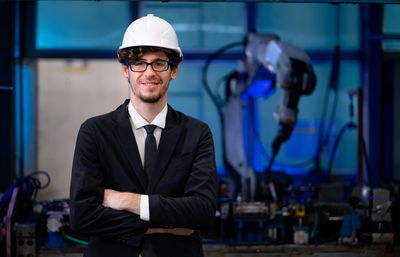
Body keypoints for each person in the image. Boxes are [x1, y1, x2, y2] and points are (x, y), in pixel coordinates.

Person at [69, 14, 218, 257]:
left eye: (159, 63)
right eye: (139, 62)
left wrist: (129, 202)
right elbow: (82, 216)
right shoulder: (95, 132)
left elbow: (203, 212)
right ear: (126, 70)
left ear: (174, 70)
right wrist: (169, 226)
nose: (149, 72)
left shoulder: (197, 133)